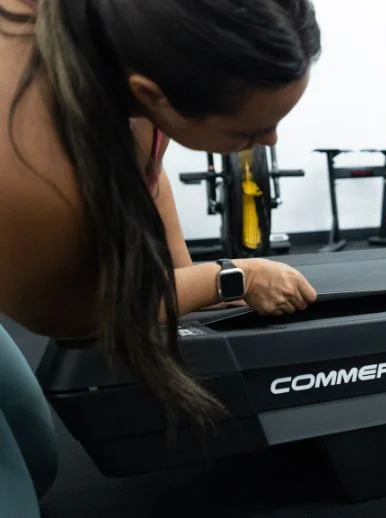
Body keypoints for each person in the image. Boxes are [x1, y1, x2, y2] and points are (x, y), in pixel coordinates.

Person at [0, 0, 322, 515]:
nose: (272, 140)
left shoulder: (136, 43)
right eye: (247, 132)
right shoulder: (30, 179)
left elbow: (146, 167)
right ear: (152, 94)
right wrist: (232, 278)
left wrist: (180, 274)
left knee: (35, 452)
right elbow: (85, 314)